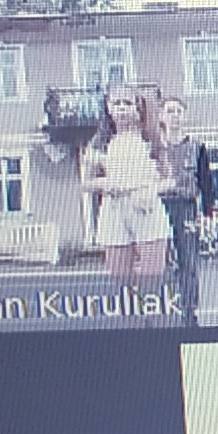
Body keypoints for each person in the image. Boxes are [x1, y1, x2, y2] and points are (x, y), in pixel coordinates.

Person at [79, 83, 171, 292]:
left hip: (146, 207)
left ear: (138, 108)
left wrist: (151, 190)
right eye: (116, 103)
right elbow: (86, 183)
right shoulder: (100, 143)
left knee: (151, 281)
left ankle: (152, 310)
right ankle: (129, 309)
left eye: (127, 103)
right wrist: (105, 183)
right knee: (121, 281)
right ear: (108, 108)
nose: (121, 108)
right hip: (114, 208)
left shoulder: (151, 139)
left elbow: (169, 178)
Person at [158, 93, 210, 324]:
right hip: (159, 208)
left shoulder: (196, 148)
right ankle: (164, 309)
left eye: (179, 111)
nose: (175, 116)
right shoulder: (155, 149)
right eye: (170, 111)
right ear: (162, 116)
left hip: (186, 208)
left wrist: (207, 213)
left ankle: (190, 311)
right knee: (161, 261)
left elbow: (206, 182)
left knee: (188, 261)